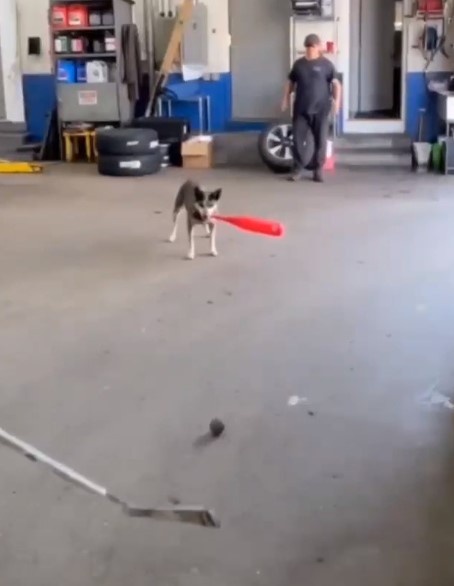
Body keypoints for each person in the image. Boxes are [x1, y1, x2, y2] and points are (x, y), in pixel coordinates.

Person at [281, 34, 342, 183]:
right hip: (301, 109)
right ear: (305, 47)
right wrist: (285, 99)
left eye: (313, 46)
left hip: (321, 109)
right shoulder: (298, 64)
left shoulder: (326, 64)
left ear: (318, 47)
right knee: (297, 140)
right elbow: (290, 82)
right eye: (308, 46)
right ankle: (298, 169)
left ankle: (318, 170)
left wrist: (337, 103)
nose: (310, 49)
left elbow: (336, 85)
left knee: (321, 140)